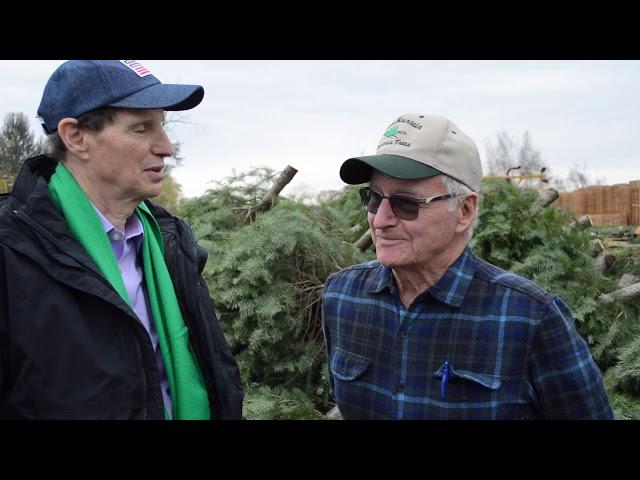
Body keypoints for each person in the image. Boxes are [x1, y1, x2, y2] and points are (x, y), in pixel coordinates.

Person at [321, 113, 613, 420]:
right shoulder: (342, 297)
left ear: (464, 210)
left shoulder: (529, 318)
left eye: (406, 202)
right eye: (373, 198)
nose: (379, 220)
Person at [0, 60, 243, 419]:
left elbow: (215, 372)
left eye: (162, 125)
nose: (166, 147)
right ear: (76, 137)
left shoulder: (170, 242)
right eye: (141, 128)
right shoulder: (12, 251)